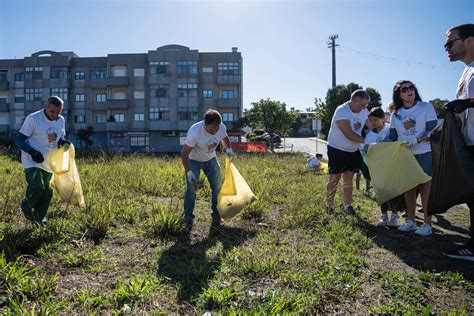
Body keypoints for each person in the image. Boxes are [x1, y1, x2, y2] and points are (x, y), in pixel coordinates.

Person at [388, 81, 438, 236]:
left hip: (424, 151)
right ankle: (410, 221)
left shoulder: (425, 107)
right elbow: (392, 137)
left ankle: (427, 224)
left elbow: (433, 129)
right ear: (399, 95)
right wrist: (375, 146)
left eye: (412, 88)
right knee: (409, 188)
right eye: (405, 89)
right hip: (406, 154)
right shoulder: (395, 114)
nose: (410, 91)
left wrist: (417, 140)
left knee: (425, 187)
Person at [442, 23, 474, 260]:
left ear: (470, 40)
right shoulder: (466, 71)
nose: (446, 48)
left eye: (450, 43)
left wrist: (468, 104)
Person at [15, 96, 70, 226]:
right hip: (32, 160)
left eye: (58, 112)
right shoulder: (33, 119)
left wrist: (63, 142)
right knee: (37, 186)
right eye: (52, 111)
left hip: (49, 162)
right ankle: (26, 207)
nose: (55, 115)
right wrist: (32, 152)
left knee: (47, 192)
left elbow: (59, 137)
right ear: (46, 106)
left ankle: (39, 220)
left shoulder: (60, 120)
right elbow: (19, 139)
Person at [181, 109, 234, 230]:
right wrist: (189, 172)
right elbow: (184, 154)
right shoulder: (195, 132)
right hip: (193, 160)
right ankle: (188, 218)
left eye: (216, 129)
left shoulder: (221, 127)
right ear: (204, 124)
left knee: (217, 187)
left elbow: (224, 138)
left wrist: (229, 150)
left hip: (210, 159)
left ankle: (216, 216)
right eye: (211, 130)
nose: (214, 131)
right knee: (191, 189)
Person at [326, 89, 371, 215]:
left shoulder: (364, 111)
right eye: (362, 105)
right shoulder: (342, 111)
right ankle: (329, 206)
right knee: (335, 177)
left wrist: (378, 134)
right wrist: (368, 141)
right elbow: (349, 134)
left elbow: (372, 126)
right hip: (337, 149)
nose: (364, 108)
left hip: (353, 150)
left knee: (348, 177)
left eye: (365, 106)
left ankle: (348, 206)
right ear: (355, 101)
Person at [362, 107, 403, 226]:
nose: (373, 123)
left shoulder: (390, 130)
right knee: (380, 192)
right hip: (377, 169)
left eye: (375, 119)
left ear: (383, 119)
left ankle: (395, 217)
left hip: (391, 167)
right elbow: (365, 151)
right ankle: (383, 216)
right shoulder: (370, 135)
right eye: (371, 120)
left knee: (393, 192)